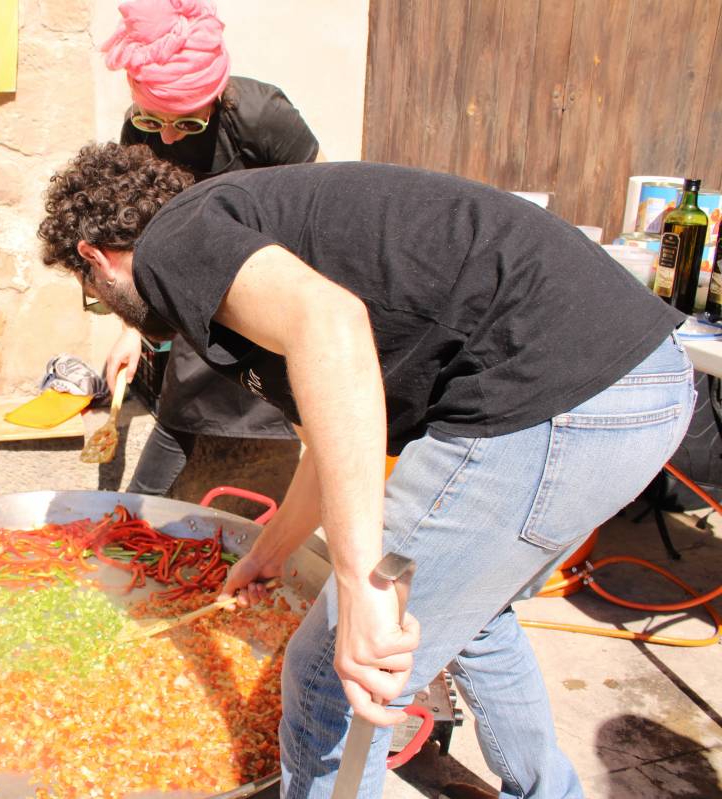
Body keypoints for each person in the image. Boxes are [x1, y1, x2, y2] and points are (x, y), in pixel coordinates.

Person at [38, 142, 692, 797]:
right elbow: (327, 445)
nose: (105, 306)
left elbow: (331, 319)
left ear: (94, 256)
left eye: (92, 295)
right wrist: (270, 552)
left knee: (333, 672)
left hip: (558, 399)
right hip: (638, 379)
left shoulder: (171, 243)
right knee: (473, 613)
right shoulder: (240, 235)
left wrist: (358, 583)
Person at [99, 0, 320, 495]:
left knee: (276, 444)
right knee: (173, 439)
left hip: (273, 300)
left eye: (187, 123)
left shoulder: (263, 116)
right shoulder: (138, 129)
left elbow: (320, 210)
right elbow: (137, 237)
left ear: (216, 98)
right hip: (195, 305)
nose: (168, 136)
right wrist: (131, 330)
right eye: (153, 120)